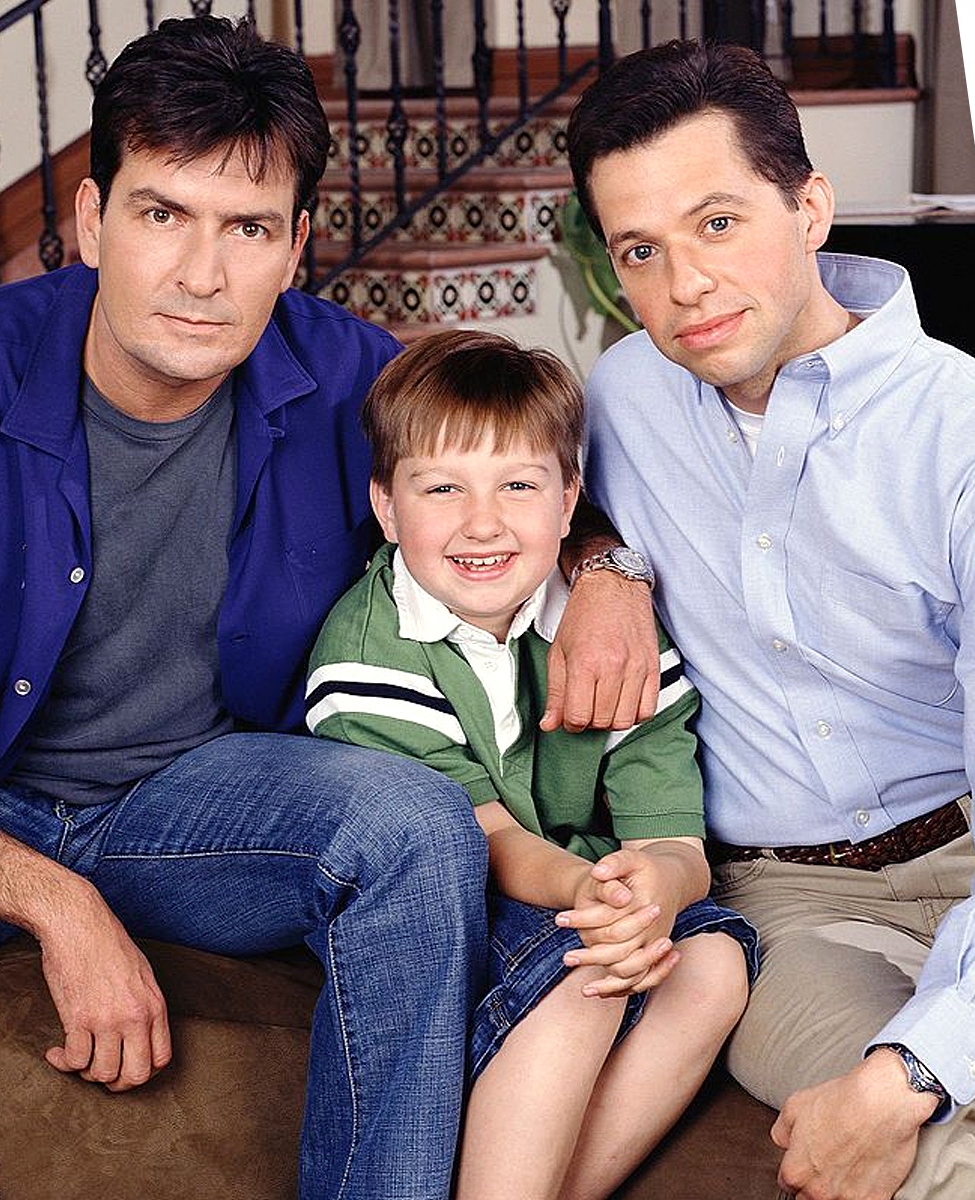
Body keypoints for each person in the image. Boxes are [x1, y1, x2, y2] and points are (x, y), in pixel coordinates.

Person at [0, 18, 656, 1198]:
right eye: (162, 214)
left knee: (413, 827)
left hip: (202, 804)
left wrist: (608, 576)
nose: (200, 274)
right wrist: (56, 903)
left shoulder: (348, 376)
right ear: (89, 223)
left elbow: (502, 475)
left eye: (247, 228)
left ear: (293, 251)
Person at [563, 40, 975, 1200]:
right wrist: (606, 564)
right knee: (931, 1170)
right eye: (642, 253)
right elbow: (509, 501)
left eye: (718, 224)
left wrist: (914, 1063)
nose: (686, 288)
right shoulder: (622, 396)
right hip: (788, 904)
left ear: (809, 206)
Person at [304, 329, 756, 1199]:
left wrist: (651, 887)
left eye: (519, 485)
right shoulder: (366, 659)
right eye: (442, 489)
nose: (484, 523)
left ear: (568, 501)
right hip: (460, 901)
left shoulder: (614, 641)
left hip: (591, 889)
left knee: (713, 968)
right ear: (388, 509)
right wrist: (600, 901)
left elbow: (673, 834)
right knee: (587, 977)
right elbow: (487, 843)